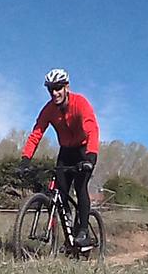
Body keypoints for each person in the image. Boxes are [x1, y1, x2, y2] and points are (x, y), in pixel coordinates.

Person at [20, 68, 99, 248]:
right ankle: (69, 235)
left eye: (58, 88)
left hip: (83, 150)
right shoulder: (49, 110)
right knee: (61, 195)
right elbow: (36, 133)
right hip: (65, 152)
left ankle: (83, 230)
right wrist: (25, 159)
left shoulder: (80, 103)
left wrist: (91, 156)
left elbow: (91, 128)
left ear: (66, 87)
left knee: (80, 187)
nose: (54, 93)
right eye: (50, 89)